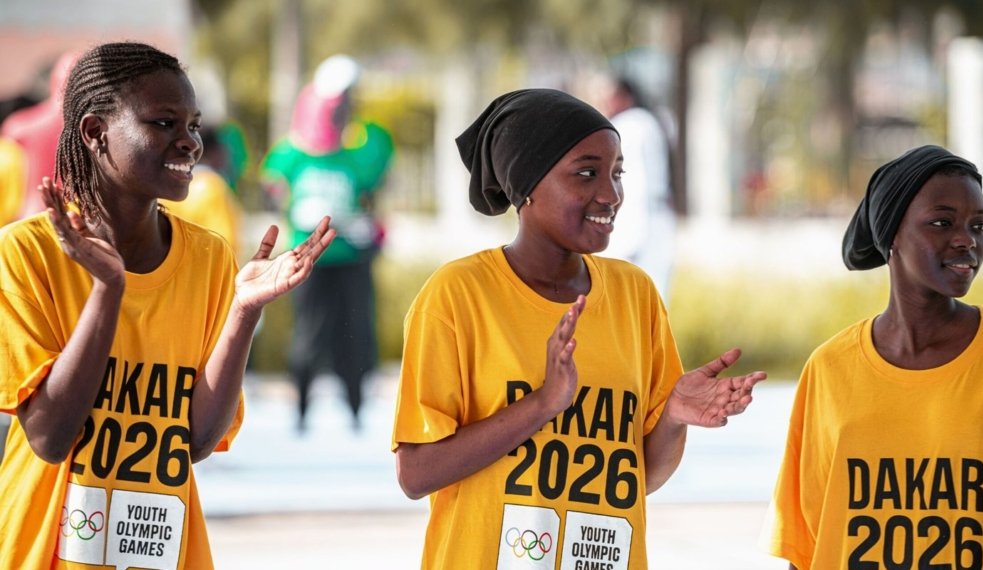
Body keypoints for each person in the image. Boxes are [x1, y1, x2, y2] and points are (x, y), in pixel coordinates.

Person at [391, 88, 766, 569]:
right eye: (587, 173)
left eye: (617, 173)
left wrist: (672, 416)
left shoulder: (636, 295)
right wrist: (542, 404)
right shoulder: (457, 296)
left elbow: (641, 476)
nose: (610, 193)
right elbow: (416, 472)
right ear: (526, 183)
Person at [0, 42, 333, 569]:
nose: (190, 143)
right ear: (94, 132)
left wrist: (243, 312)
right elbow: (49, 436)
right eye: (163, 123)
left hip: (162, 554)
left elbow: (196, 441)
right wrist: (108, 289)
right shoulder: (25, 254)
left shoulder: (206, 258)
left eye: (194, 125)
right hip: (40, 551)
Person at [766, 145, 983, 568]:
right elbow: (807, 546)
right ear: (891, 233)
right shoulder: (829, 368)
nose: (967, 239)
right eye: (942, 222)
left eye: (978, 225)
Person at [261, 54, 394, 433]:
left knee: (355, 334)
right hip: (309, 259)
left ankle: (355, 412)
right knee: (309, 335)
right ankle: (300, 413)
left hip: (353, 255)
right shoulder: (293, 149)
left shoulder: (367, 143)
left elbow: (378, 186)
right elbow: (272, 185)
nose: (343, 107)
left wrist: (369, 221)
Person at [596, 76, 677, 302]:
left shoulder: (629, 126)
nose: (604, 101)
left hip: (640, 219)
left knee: (636, 299)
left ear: (624, 97)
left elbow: (635, 180)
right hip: (655, 217)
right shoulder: (648, 122)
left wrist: (630, 235)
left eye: (609, 95)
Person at [0, 51, 79, 220]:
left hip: (29, 219)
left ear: (53, 82)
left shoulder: (19, 126)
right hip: (79, 219)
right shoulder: (97, 128)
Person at [161, 124, 243, 252]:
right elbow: (225, 242)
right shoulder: (212, 186)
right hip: (206, 266)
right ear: (214, 152)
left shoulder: (169, 185)